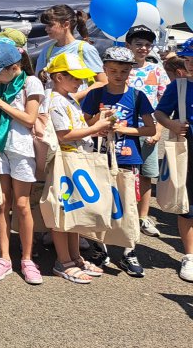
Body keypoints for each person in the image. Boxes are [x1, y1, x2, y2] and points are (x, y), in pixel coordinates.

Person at [81, 46, 156, 277]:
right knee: (100, 203)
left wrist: (124, 128)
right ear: (104, 69)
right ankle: (99, 246)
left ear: (130, 71)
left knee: (127, 206)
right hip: (99, 155)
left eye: (123, 71)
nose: (118, 75)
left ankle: (128, 250)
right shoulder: (96, 94)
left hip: (127, 157)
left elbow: (150, 128)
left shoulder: (137, 96)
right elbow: (85, 123)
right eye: (113, 70)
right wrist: (99, 124)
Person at [44, 53, 113, 283]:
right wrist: (96, 128)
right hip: (66, 162)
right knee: (63, 212)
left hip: (75, 161)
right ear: (59, 77)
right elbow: (64, 135)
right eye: (74, 78)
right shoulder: (55, 101)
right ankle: (63, 260)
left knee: (74, 212)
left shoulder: (68, 99)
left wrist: (98, 126)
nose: (79, 83)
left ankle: (74, 257)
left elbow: (76, 129)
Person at [0, 40, 44, 284]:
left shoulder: (31, 82)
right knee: (1, 202)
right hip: (0, 147)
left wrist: (0, 104)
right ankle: (5, 257)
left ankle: (27, 258)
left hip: (22, 148)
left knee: (22, 204)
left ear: (14, 67)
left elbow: (30, 118)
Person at [152, 37, 193, 283]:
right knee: (187, 204)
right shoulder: (179, 86)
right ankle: (189, 255)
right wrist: (171, 125)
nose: (189, 64)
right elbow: (159, 112)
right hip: (188, 150)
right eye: (187, 59)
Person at [125, 25, 170, 238]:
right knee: (124, 173)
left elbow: (164, 104)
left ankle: (143, 217)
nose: (143, 48)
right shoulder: (122, 69)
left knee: (146, 174)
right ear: (129, 45)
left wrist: (158, 130)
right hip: (125, 130)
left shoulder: (157, 70)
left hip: (149, 130)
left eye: (147, 45)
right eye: (138, 44)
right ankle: (125, 215)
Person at [34, 5, 106, 98]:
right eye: (46, 25)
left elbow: (102, 82)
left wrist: (75, 96)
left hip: (78, 109)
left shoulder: (84, 49)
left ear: (66, 25)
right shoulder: (46, 51)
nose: (46, 29)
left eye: (50, 25)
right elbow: (38, 82)